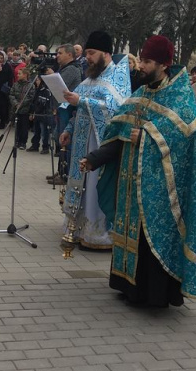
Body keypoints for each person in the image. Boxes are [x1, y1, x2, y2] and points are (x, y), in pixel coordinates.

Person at [81, 35, 196, 307]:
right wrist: (95, 158)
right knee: (130, 234)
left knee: (152, 238)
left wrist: (148, 135)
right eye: (142, 60)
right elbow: (119, 133)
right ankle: (127, 286)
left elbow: (186, 138)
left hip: (161, 190)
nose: (141, 66)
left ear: (164, 64)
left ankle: (154, 295)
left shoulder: (180, 97)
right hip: (130, 184)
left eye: (148, 62)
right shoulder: (141, 93)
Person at [58, 32, 131, 251]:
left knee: (95, 187)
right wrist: (69, 129)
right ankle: (79, 228)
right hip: (82, 142)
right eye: (87, 53)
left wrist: (82, 101)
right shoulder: (89, 78)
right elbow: (78, 110)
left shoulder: (117, 77)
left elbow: (117, 109)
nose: (87, 57)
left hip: (100, 147)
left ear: (106, 53)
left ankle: (99, 234)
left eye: (92, 53)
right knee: (83, 185)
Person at [53, 44, 83, 185]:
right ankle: (61, 170)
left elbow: (60, 86)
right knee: (60, 139)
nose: (57, 55)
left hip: (68, 109)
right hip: (62, 107)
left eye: (60, 53)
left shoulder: (71, 69)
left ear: (70, 55)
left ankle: (65, 174)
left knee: (65, 141)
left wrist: (50, 77)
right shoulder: (65, 68)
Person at [27, 67, 55, 154]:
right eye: (36, 80)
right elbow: (34, 102)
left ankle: (45, 147)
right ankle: (35, 145)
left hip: (44, 114)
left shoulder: (46, 90)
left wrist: (37, 112)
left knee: (44, 132)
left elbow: (44, 102)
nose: (36, 82)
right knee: (36, 131)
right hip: (37, 113)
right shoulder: (37, 90)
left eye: (38, 80)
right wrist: (32, 113)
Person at [9, 66, 36, 148]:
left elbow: (30, 97)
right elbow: (11, 95)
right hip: (16, 109)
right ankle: (16, 141)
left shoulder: (30, 85)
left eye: (19, 74)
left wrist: (22, 104)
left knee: (24, 127)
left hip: (25, 109)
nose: (17, 75)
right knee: (17, 126)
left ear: (25, 75)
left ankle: (23, 142)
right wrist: (16, 103)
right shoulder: (15, 84)